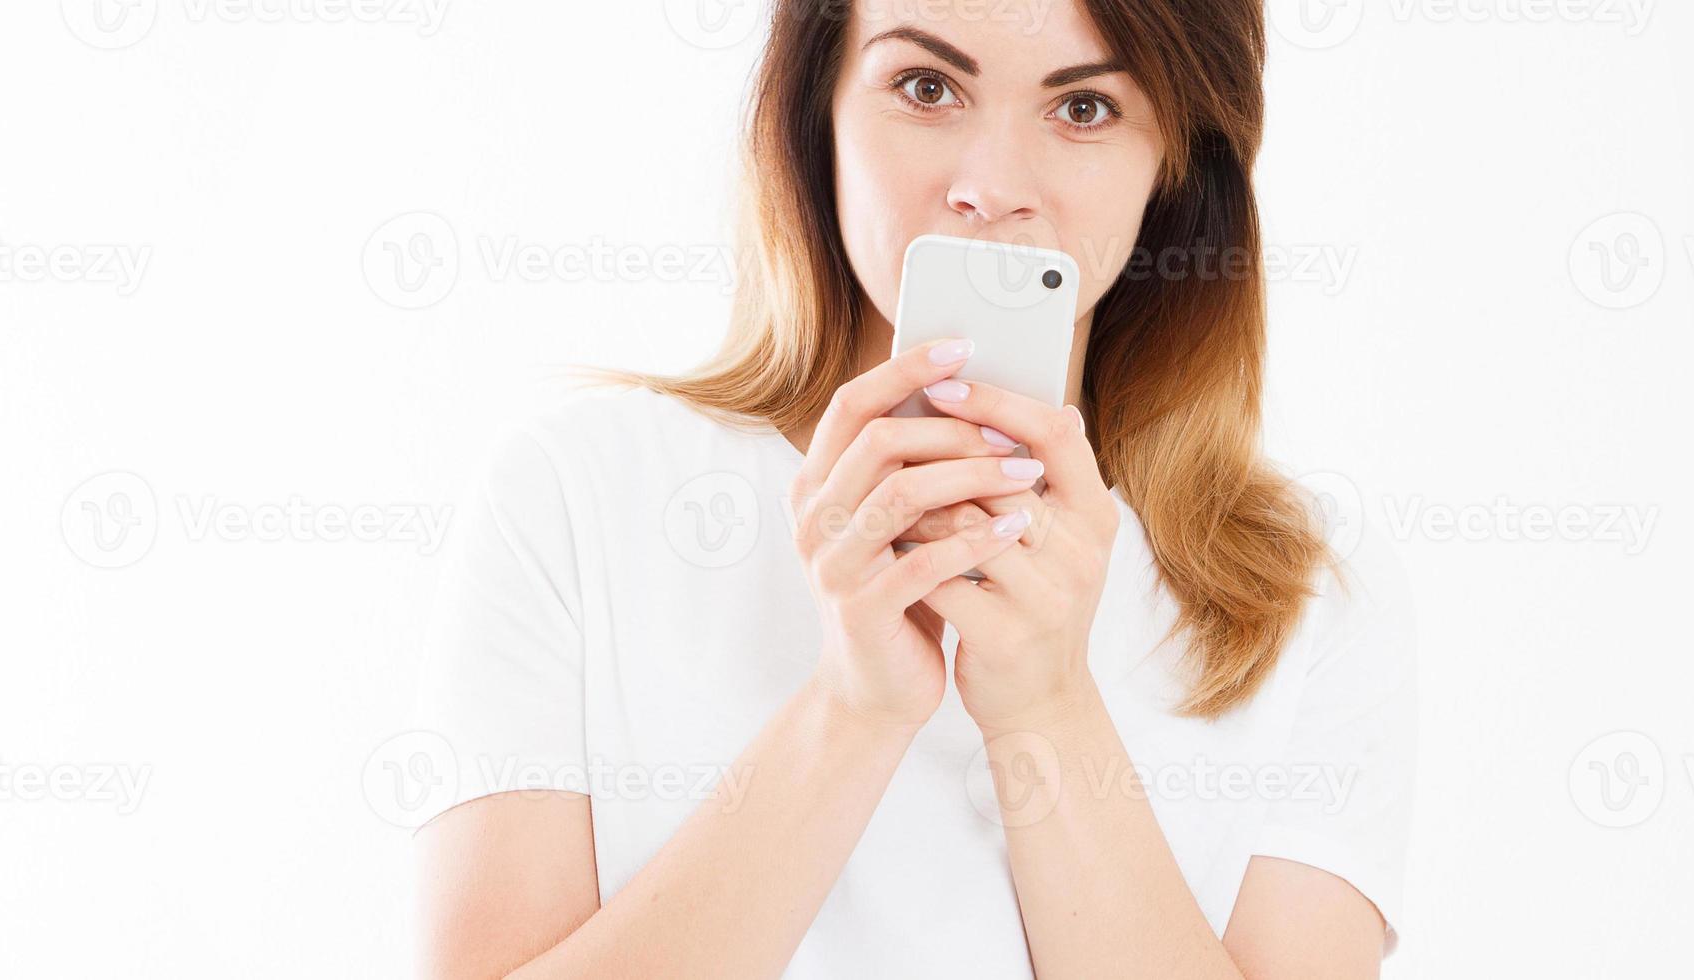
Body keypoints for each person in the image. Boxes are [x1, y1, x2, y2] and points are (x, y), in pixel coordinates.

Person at [408, 1, 1418, 976]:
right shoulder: (579, 494)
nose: (991, 186)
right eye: (925, 85)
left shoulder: (1302, 588)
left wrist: (1047, 709)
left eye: (1082, 108)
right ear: (818, 115)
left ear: (1174, 168)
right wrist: (853, 706)